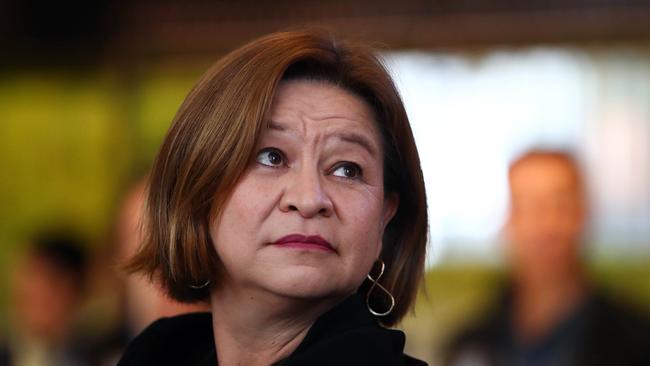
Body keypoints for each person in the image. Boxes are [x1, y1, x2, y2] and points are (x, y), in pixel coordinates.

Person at [118, 30, 429, 366]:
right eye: (271, 157)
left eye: (347, 170)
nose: (309, 199)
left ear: (386, 215)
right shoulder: (155, 355)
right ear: (198, 188)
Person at [444, 149, 650, 366]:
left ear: (584, 215)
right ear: (507, 220)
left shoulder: (637, 342)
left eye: (560, 205)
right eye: (528, 206)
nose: (545, 225)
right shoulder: (470, 345)